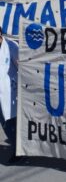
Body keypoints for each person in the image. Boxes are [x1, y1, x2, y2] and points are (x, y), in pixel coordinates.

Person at [0, 28, 20, 164]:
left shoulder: (11, 46)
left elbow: (22, 67)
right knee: (4, 122)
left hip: (9, 93)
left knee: (10, 123)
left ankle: (17, 151)